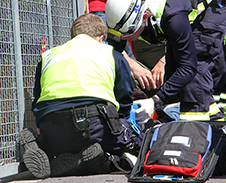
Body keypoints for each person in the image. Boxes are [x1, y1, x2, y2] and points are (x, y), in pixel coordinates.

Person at [105, 0, 226, 121]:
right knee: (174, 68)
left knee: (198, 55)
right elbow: (115, 54)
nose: (123, 38)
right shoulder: (122, 7)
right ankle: (214, 120)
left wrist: (155, 101)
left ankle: (196, 127)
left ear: (144, 18)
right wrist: (128, 88)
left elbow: (189, 67)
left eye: (128, 34)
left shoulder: (172, 15)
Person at [19, 14, 142, 179]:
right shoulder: (111, 54)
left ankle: (43, 147)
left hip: (52, 128)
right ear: (100, 39)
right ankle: (98, 160)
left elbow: (38, 99)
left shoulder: (48, 56)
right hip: (93, 125)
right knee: (136, 145)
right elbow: (124, 101)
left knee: (61, 140)